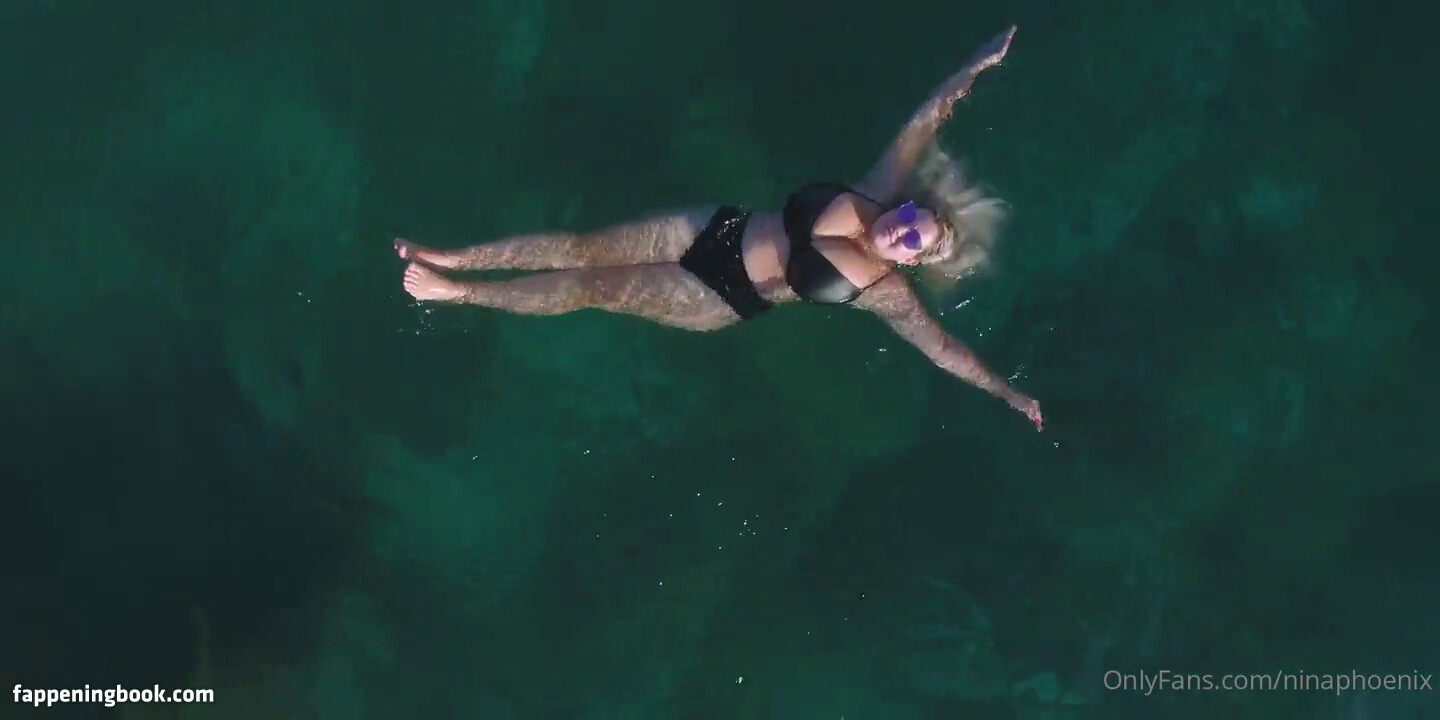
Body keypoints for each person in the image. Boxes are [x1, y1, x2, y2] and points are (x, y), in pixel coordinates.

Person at [396, 26, 1043, 430]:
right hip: (715, 229)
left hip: (720, 295)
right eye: (908, 219)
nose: (901, 232)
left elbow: (942, 348)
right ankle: (452, 256)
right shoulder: (877, 189)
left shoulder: (885, 292)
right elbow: (925, 120)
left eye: (913, 241)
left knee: (594, 286)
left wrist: (1007, 393)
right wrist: (976, 68)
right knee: (581, 246)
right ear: (904, 207)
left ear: (913, 261)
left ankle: (462, 292)